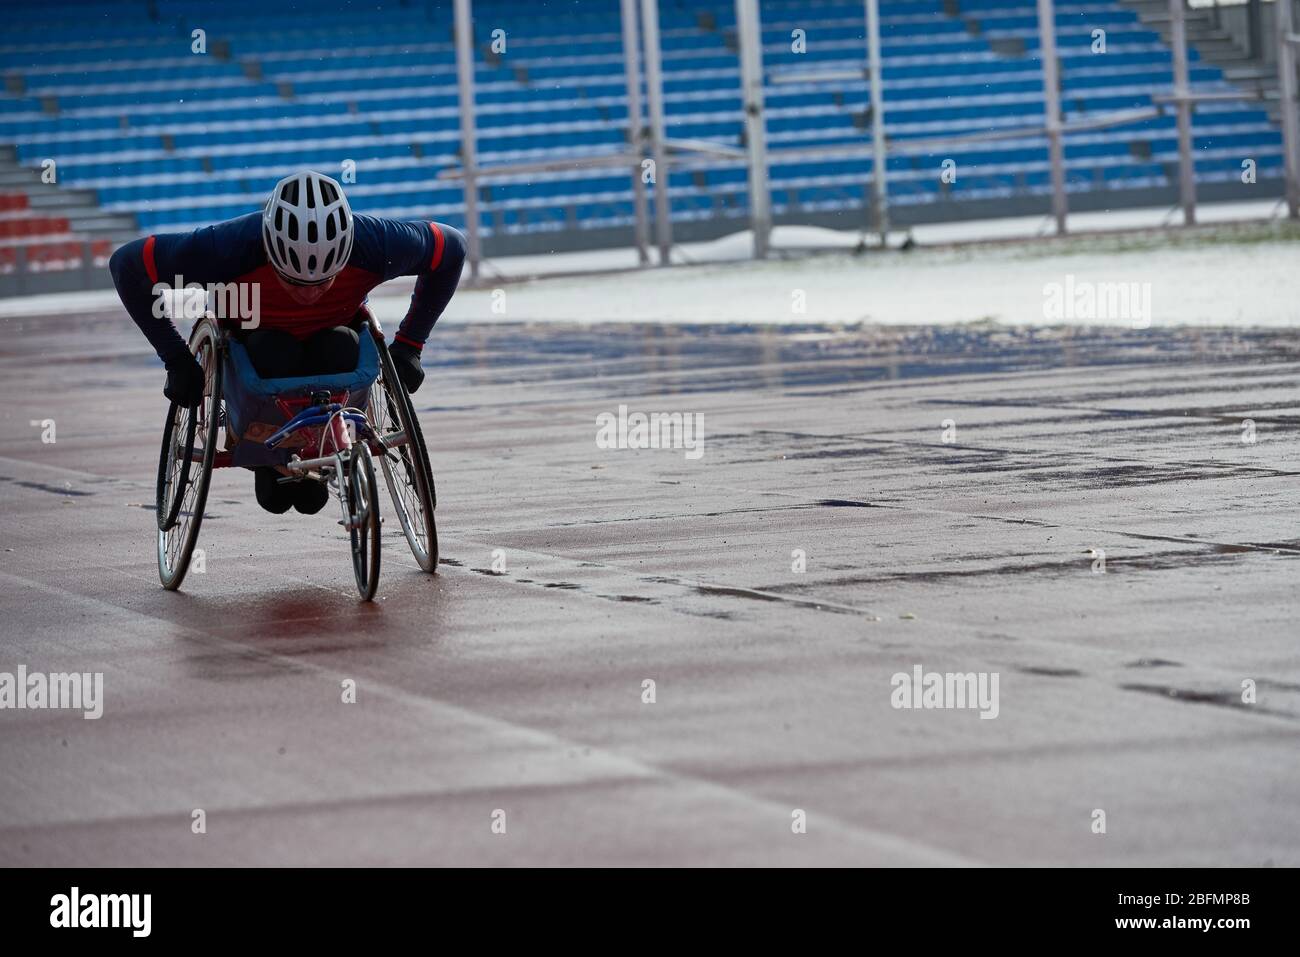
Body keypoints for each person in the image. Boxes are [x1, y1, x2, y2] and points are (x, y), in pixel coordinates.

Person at [109, 170, 465, 514]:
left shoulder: (374, 242)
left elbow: (451, 249)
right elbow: (126, 265)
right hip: (256, 351)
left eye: (323, 281)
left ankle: (318, 447)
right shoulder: (226, 247)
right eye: (293, 281)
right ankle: (272, 461)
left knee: (340, 346)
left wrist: (410, 345)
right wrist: (176, 358)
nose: (308, 294)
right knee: (272, 354)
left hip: (333, 345)